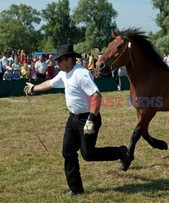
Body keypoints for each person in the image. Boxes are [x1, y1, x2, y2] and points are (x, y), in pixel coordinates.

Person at [24, 44, 130, 196]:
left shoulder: (81, 74)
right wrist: (33, 88)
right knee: (67, 152)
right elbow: (50, 83)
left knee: (88, 155)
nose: (57, 64)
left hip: (88, 118)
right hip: (73, 119)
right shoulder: (64, 73)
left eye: (59, 61)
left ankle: (120, 152)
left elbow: (96, 96)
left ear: (69, 60)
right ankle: (76, 188)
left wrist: (91, 120)